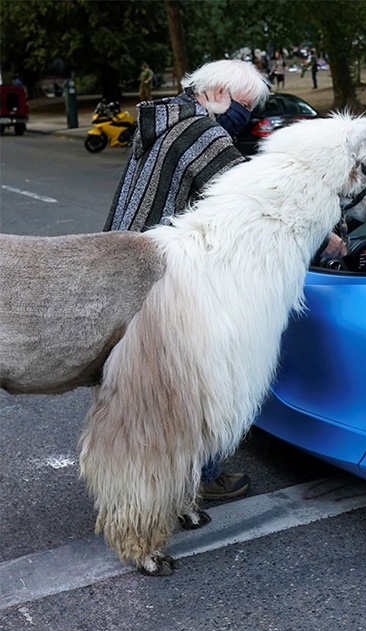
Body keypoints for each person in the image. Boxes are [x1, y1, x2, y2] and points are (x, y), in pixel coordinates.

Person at [104, 59, 270, 500]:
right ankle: (194, 477)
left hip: (120, 262)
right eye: (244, 107)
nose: (245, 118)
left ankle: (148, 477)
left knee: (141, 386)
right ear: (217, 93)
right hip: (161, 276)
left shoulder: (163, 121)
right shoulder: (202, 132)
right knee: (188, 379)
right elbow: (252, 198)